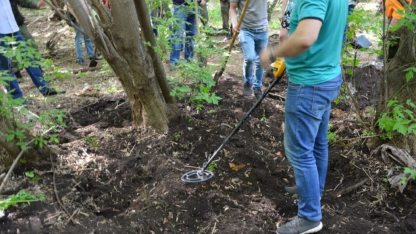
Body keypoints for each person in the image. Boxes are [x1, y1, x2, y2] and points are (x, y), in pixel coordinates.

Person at [260, 0, 348, 233]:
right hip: (327, 76)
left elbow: (305, 37)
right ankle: (312, 190)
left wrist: (272, 53)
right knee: (317, 143)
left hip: (310, 84)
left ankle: (309, 216)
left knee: (299, 151)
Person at [1, 0, 58, 99]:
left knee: (29, 58)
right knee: (6, 66)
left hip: (13, 26)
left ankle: (44, 88)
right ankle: (17, 98)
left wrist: (36, 4)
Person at [230, 0, 269, 99]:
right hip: (245, 30)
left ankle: (257, 86)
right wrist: (234, 24)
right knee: (250, 57)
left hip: (263, 30)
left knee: (261, 60)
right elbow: (232, 8)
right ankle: (248, 82)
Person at [169, 0, 197, 66]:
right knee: (178, 34)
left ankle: (189, 61)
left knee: (191, 34)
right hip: (180, 5)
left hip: (195, 6)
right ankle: (174, 62)